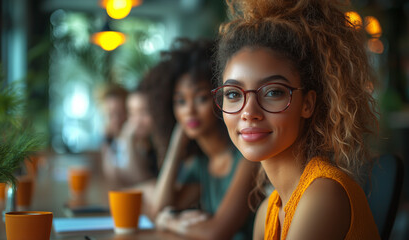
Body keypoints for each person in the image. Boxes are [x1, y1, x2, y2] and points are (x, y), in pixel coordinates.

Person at [212, 0, 381, 239]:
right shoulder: (268, 210)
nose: (249, 112)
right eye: (233, 94)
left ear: (308, 104)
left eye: (273, 92)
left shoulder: (323, 195)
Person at [150, 38, 259, 240]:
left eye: (200, 98)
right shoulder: (202, 163)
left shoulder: (247, 156)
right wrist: (175, 148)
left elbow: (216, 232)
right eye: (181, 101)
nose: (189, 111)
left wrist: (170, 222)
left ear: (221, 99)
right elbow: (161, 209)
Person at [98, 83, 157, 188]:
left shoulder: (143, 140)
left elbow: (139, 180)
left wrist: (128, 139)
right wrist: (106, 141)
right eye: (110, 114)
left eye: (120, 113)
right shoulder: (113, 140)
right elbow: (111, 176)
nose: (115, 119)